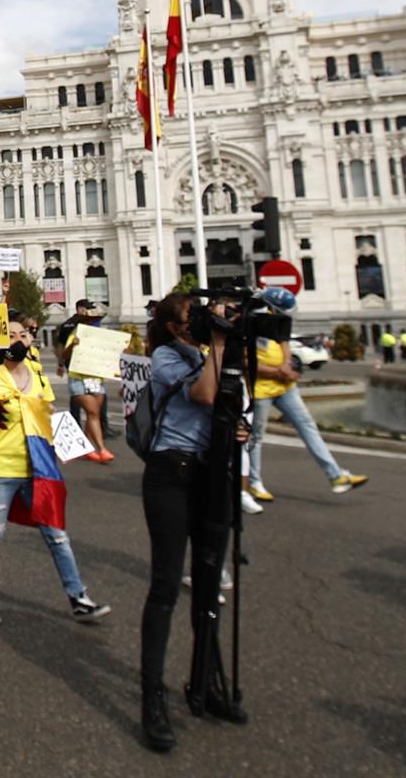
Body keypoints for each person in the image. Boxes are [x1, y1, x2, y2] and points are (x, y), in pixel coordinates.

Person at [137, 292, 249, 753]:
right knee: (166, 586)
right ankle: (152, 697)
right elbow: (203, 393)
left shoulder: (208, 354)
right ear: (172, 326)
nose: (202, 322)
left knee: (207, 586)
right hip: (170, 474)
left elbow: (224, 401)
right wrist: (219, 342)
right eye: (193, 316)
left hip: (210, 473)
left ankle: (206, 680)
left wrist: (238, 426)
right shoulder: (166, 357)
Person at [0, 318, 111, 627]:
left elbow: (48, 413)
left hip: (38, 469)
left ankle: (78, 597)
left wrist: (62, 442)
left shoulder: (38, 374)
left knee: (57, 535)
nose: (18, 339)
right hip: (0, 469)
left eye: (23, 334)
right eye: (11, 335)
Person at [246, 332, 368, 498]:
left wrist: (287, 365)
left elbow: (283, 340)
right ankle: (254, 483)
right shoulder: (243, 323)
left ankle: (336, 476)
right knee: (256, 436)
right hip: (260, 389)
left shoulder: (272, 319)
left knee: (307, 425)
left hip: (286, 386)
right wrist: (276, 371)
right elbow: (244, 361)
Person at [55, 300, 116, 463]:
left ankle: (87, 447)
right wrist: (72, 347)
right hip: (78, 378)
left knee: (93, 414)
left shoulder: (101, 335)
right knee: (93, 412)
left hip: (96, 378)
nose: (93, 322)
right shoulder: (76, 333)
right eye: (90, 319)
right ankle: (101, 449)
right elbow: (64, 353)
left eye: (95, 319)